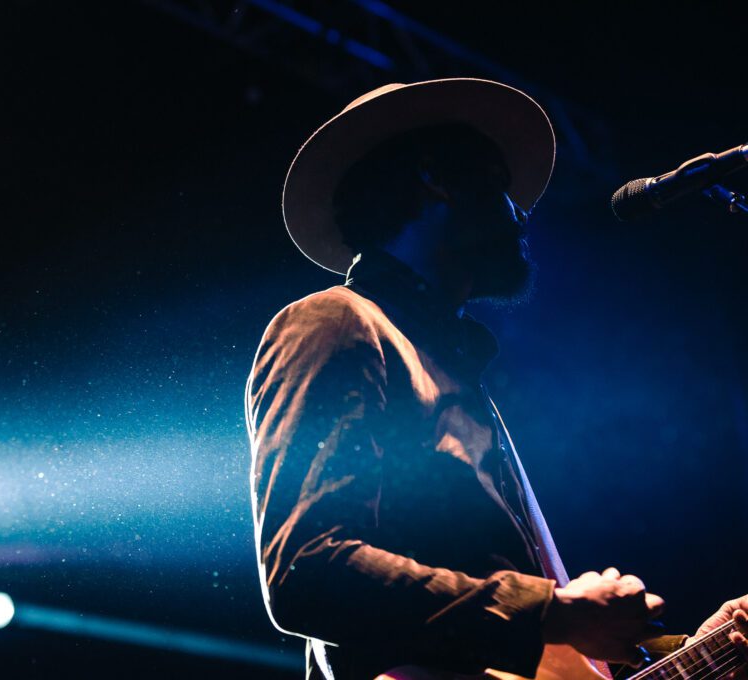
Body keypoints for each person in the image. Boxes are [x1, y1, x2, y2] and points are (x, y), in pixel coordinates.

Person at [244, 79, 748, 680]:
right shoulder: (333, 322)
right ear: (436, 180)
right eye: (499, 183)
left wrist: (707, 648)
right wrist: (551, 612)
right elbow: (304, 569)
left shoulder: (451, 367)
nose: (521, 210)